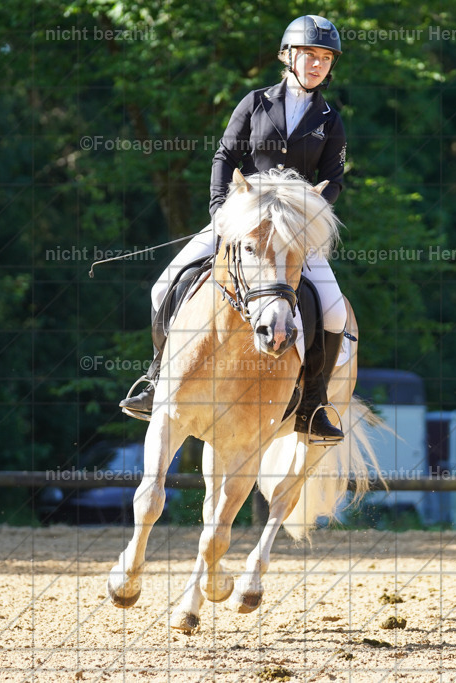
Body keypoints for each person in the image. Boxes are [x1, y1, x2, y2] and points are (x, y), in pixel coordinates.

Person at [120, 15, 349, 441]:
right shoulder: (255, 102)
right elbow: (225, 157)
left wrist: (314, 215)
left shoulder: (330, 120)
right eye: (309, 55)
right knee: (162, 286)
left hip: (294, 232)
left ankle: (313, 405)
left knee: (333, 311)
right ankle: (156, 378)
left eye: (324, 58)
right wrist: (220, 210)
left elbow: (334, 179)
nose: (317, 64)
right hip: (243, 221)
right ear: (288, 56)